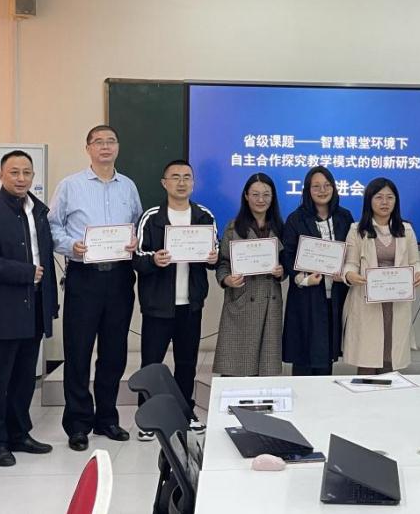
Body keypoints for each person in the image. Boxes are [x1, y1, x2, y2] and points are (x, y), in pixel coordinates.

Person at [48, 125, 142, 451]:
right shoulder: (70, 185)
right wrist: (70, 246)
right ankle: (78, 424)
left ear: (118, 147)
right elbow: (52, 227)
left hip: (119, 277)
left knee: (114, 353)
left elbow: (137, 225)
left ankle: (107, 419)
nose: (105, 147)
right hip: (84, 276)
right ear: (87, 148)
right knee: (78, 352)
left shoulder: (128, 186)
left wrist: (134, 241)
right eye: (98, 142)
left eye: (110, 141)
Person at [0, 150, 59, 467]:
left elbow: (47, 260)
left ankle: (19, 434)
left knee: (24, 378)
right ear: (1, 176)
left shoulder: (38, 211)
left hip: (34, 307)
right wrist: (24, 273)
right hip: (1, 311)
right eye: (14, 172)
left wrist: (50, 304)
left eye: (27, 173)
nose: (21, 178)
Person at [133, 159, 217, 440]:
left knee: (187, 363)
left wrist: (213, 258)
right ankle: (147, 418)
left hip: (190, 304)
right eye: (175, 177)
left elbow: (214, 254)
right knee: (152, 363)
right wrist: (153, 260)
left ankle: (185, 414)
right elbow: (137, 257)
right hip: (158, 304)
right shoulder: (151, 216)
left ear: (193, 183)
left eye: (187, 177)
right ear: (164, 183)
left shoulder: (204, 216)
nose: (182, 182)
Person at [342, 178, 420, 374]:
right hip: (367, 300)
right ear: (369, 200)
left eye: (390, 197)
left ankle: (388, 392)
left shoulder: (406, 230)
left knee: (391, 355)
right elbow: (350, 263)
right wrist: (350, 275)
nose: (385, 202)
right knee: (367, 356)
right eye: (379, 197)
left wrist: (419, 273)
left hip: (396, 300)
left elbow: (415, 262)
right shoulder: (357, 230)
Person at [281, 166, 354, 375]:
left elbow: (352, 251)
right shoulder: (296, 219)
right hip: (307, 295)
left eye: (327, 185)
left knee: (326, 353)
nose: (322, 190)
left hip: (336, 295)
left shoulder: (344, 217)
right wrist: (303, 279)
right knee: (304, 354)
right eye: (316, 186)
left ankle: (323, 394)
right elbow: (288, 255)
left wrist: (345, 272)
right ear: (307, 190)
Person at [214, 173, 285, 377]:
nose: (261, 199)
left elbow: (286, 264)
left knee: (265, 370)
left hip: (270, 302)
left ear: (273, 197)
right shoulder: (233, 227)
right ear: (246, 196)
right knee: (235, 369)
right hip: (242, 300)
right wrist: (227, 279)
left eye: (266, 194)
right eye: (255, 194)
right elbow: (223, 263)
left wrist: (281, 272)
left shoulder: (281, 227)